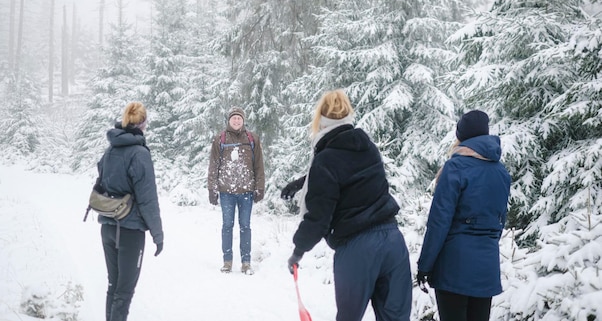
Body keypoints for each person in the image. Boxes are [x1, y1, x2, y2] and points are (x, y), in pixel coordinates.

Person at [286, 89, 412, 321]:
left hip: (358, 248)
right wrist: (304, 181)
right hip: (393, 242)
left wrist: (298, 250)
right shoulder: (368, 147)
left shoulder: (324, 159)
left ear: (320, 120)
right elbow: (354, 176)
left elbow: (319, 218)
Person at [416, 110, 511, 321]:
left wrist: (425, 266)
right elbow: (499, 221)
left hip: (454, 268)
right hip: (487, 268)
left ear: (462, 136)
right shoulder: (501, 172)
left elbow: (439, 222)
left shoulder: (455, 167)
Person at [96, 101, 164, 321]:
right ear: (143, 123)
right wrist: (158, 234)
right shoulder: (139, 154)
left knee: (113, 286)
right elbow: (147, 199)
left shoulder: (111, 149)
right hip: (130, 230)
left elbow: (102, 180)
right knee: (124, 292)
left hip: (107, 225)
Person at [207, 106, 265, 275]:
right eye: (234, 118)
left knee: (245, 226)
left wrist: (260, 187)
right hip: (226, 192)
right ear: (229, 120)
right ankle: (227, 261)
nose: (237, 121)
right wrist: (212, 188)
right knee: (227, 226)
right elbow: (213, 165)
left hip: (246, 191)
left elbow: (259, 165)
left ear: (243, 120)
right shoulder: (220, 138)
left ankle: (246, 263)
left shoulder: (252, 138)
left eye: (239, 118)